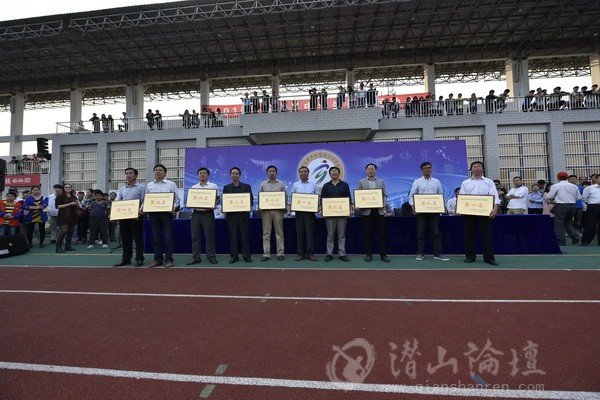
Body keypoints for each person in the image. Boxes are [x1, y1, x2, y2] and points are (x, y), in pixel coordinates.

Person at [459, 161, 500, 266]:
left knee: (486, 235)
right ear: (471, 169)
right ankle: (470, 256)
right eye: (474, 166)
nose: (476, 168)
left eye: (478, 166)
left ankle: (489, 258)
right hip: (468, 212)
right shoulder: (465, 182)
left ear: (482, 169)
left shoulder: (489, 182)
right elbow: (462, 197)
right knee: (468, 235)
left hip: (485, 212)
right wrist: (460, 209)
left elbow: (495, 196)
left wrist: (495, 208)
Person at [409, 162, 449, 261]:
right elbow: (412, 196)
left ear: (431, 169)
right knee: (420, 233)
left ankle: (438, 254)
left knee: (436, 233)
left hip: (434, 212)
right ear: (421, 170)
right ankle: (420, 253)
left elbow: (441, 195)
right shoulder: (417, 182)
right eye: (425, 168)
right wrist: (413, 206)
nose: (427, 170)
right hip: (421, 212)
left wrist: (443, 206)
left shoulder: (437, 181)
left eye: (429, 168)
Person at [145, 164, 180, 268]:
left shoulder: (171, 184)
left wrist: (173, 207)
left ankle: (169, 259)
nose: (158, 172)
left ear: (165, 173)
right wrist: (143, 207)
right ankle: (158, 259)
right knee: (156, 238)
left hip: (166, 214)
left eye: (160, 170)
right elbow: (146, 199)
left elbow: (177, 200)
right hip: (153, 215)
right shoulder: (149, 185)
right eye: (156, 170)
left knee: (168, 238)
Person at [356, 163, 389, 262]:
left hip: (379, 210)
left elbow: (385, 195)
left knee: (381, 234)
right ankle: (368, 254)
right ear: (366, 171)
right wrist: (358, 203)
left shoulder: (381, 181)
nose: (371, 171)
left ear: (375, 170)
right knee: (367, 234)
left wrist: (383, 204)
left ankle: (383, 255)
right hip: (366, 211)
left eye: (372, 169)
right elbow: (358, 195)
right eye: (369, 169)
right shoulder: (361, 182)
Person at [113, 168, 145, 267]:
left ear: (136, 175)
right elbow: (118, 201)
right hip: (124, 217)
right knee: (125, 238)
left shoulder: (141, 187)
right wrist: (114, 211)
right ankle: (126, 259)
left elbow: (144, 201)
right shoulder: (122, 188)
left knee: (138, 238)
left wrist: (139, 211)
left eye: (130, 173)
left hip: (136, 217)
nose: (128, 175)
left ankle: (139, 259)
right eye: (126, 173)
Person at [187, 167, 219, 265]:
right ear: (198, 175)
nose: (202, 174)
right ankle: (196, 257)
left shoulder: (213, 186)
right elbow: (190, 201)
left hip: (208, 214)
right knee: (195, 237)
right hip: (196, 214)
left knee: (209, 237)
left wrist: (214, 204)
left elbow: (218, 199)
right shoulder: (193, 187)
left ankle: (211, 257)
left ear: (208, 175)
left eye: (204, 173)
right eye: (200, 173)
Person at [222, 167, 253, 263]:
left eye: (236, 173)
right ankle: (234, 256)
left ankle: (246, 256)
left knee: (245, 237)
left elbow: (251, 200)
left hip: (243, 215)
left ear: (240, 175)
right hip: (231, 216)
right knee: (233, 237)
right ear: (230, 175)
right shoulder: (226, 187)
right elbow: (225, 201)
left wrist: (247, 206)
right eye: (233, 173)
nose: (235, 175)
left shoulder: (246, 186)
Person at [320, 167, 351, 262]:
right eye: (332, 171)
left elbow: (348, 198)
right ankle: (329, 253)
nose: (334, 173)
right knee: (330, 235)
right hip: (329, 214)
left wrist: (349, 210)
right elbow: (322, 199)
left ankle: (342, 253)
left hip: (342, 214)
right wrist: (323, 210)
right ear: (330, 174)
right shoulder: (326, 186)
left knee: (341, 235)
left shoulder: (345, 185)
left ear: (339, 173)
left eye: (335, 171)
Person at [291, 166, 319, 261]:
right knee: (300, 232)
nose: (303, 173)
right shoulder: (295, 184)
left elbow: (318, 197)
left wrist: (317, 206)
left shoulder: (313, 184)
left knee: (310, 232)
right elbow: (291, 197)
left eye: (305, 172)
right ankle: (300, 254)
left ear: (308, 173)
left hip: (310, 213)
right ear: (299, 174)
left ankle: (310, 253)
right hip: (299, 212)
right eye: (301, 172)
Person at [259, 165, 287, 262]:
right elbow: (261, 197)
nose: (272, 172)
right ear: (267, 173)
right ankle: (266, 254)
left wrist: (284, 206)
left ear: (276, 172)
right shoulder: (263, 184)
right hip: (266, 211)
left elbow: (285, 196)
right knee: (266, 233)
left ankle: (280, 253)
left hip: (278, 211)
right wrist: (261, 206)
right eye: (270, 171)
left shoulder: (281, 184)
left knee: (279, 233)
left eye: (273, 171)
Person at [546, 171, 582, 245]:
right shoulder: (574, 186)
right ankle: (575, 236)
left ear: (558, 178)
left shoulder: (556, 186)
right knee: (568, 222)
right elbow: (579, 197)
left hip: (561, 205)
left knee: (559, 223)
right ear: (567, 178)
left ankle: (561, 240)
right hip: (572, 205)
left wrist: (555, 198)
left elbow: (549, 196)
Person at [55, 183, 78, 253]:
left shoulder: (74, 197)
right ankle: (58, 247)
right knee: (63, 231)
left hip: (72, 215)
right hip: (63, 216)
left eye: (69, 187)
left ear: (71, 188)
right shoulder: (60, 196)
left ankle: (68, 246)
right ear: (63, 188)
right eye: (66, 187)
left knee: (70, 232)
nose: (68, 188)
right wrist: (70, 204)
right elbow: (57, 206)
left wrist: (76, 204)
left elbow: (75, 205)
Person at [581, 174, 600, 246]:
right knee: (590, 224)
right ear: (595, 179)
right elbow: (584, 198)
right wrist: (590, 203)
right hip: (593, 207)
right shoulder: (589, 188)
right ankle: (585, 241)